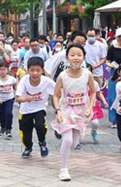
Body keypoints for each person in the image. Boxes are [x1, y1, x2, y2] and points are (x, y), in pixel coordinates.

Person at [51, 43, 96, 181]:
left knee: (75, 143)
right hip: (66, 111)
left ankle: (68, 147)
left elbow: (93, 92)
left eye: (79, 55)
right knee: (68, 140)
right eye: (72, 55)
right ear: (67, 58)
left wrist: (89, 108)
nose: (76, 58)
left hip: (81, 113)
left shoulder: (87, 74)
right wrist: (58, 111)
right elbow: (55, 95)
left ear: (83, 58)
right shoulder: (62, 76)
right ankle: (63, 169)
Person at [15, 57, 55, 158]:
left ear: (42, 70)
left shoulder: (47, 81)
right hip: (25, 110)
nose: (35, 73)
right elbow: (17, 98)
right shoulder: (24, 80)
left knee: (39, 125)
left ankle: (42, 143)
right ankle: (28, 148)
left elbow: (58, 91)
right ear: (28, 70)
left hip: (40, 109)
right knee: (25, 131)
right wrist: (25, 99)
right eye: (32, 70)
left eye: (38, 70)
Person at [0, 61, 17, 138]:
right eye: (1, 69)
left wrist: (17, 93)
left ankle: (8, 129)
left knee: (8, 113)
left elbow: (16, 84)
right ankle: (2, 127)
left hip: (9, 98)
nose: (2, 71)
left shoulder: (11, 79)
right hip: (0, 100)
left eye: (4, 69)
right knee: (2, 114)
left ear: (7, 70)